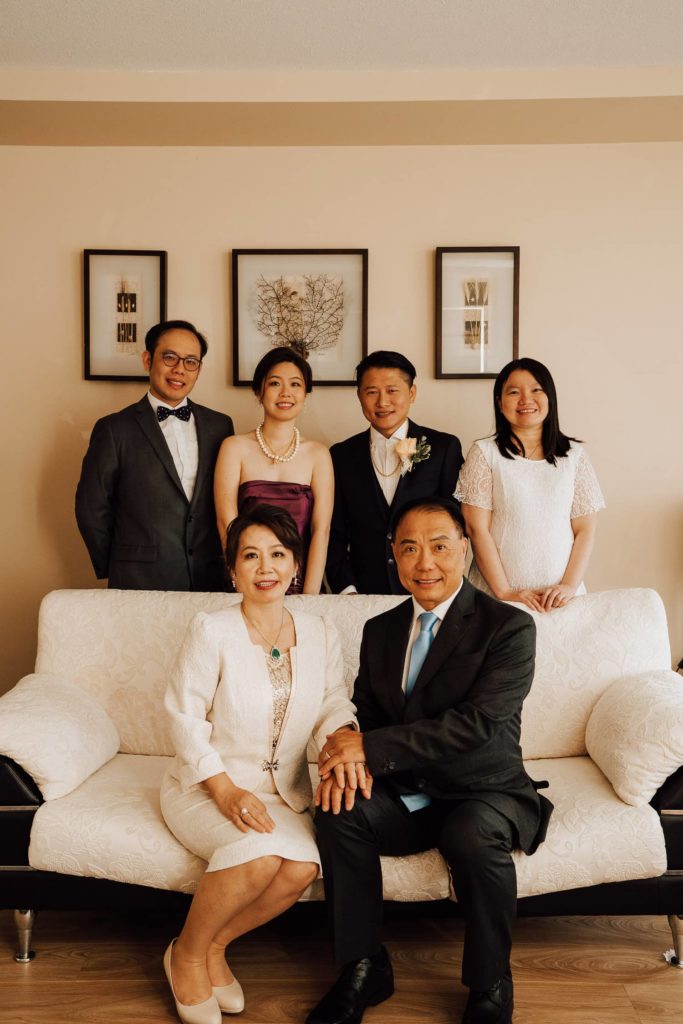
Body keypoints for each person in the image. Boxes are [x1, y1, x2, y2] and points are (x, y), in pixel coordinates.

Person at [308, 496, 552, 1024]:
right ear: (393, 555)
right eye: (410, 548)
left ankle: (490, 981)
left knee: (471, 834)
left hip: (482, 789)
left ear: (465, 549)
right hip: (408, 790)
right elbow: (368, 713)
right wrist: (349, 753)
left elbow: (479, 725)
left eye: (439, 547)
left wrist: (369, 749)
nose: (425, 563)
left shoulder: (509, 628)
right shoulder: (379, 630)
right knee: (337, 808)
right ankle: (363, 966)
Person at [160, 504, 359, 1024]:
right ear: (233, 569)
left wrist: (342, 738)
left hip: (282, 791)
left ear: (295, 564)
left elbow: (333, 701)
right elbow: (183, 717)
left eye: (277, 553)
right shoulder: (212, 629)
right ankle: (185, 956)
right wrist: (225, 791)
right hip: (206, 786)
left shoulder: (320, 630)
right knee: (259, 859)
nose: (265, 567)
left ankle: (212, 946)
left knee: (301, 868)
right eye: (250, 556)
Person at [75, 319, 234, 591]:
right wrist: (117, 564)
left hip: (211, 579)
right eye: (169, 357)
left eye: (190, 362)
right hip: (138, 580)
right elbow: (91, 507)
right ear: (148, 360)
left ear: (199, 369)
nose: (179, 369)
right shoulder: (114, 428)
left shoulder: (220, 425)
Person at [456, 357, 605, 613]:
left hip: (561, 598)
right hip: (498, 598)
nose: (526, 400)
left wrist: (569, 586)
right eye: (514, 392)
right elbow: (476, 529)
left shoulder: (574, 456)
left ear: (550, 398)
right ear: (499, 402)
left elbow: (585, 530)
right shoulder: (484, 453)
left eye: (536, 390)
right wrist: (504, 592)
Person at [325, 350, 463, 595]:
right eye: (371, 392)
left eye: (392, 390)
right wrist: (347, 590)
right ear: (359, 396)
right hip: (363, 594)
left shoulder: (444, 448)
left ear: (412, 393)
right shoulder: (341, 455)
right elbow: (332, 532)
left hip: (430, 588)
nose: (382, 402)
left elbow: (456, 527)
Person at [213, 347, 334, 594]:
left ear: (305, 394)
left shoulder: (319, 454)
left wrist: (309, 596)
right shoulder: (234, 447)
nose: (285, 392)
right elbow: (226, 523)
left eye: (295, 384)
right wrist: (240, 586)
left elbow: (321, 531)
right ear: (259, 391)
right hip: (246, 583)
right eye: (275, 383)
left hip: (301, 585)